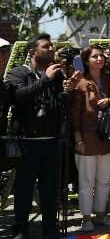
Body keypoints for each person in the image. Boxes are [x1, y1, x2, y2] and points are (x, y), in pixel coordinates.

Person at [5, 34, 81, 239]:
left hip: (51, 142)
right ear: (32, 52)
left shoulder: (56, 75)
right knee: (23, 189)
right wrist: (46, 79)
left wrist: (67, 90)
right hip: (27, 143)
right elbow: (19, 97)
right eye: (46, 46)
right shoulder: (18, 73)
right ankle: (21, 228)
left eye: (51, 46)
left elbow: (58, 105)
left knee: (50, 190)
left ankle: (50, 227)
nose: (51, 49)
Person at [71, 45, 110, 232]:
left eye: (101, 56)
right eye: (94, 56)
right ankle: (85, 217)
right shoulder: (80, 82)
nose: (99, 59)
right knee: (86, 181)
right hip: (87, 138)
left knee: (104, 180)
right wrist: (78, 139)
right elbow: (75, 114)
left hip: (107, 137)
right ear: (86, 60)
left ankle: (101, 214)